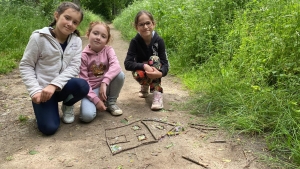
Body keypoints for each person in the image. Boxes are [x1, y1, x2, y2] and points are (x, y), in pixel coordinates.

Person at [19, 2, 89, 135]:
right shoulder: (39, 38)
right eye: (67, 18)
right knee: (49, 128)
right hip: (43, 92)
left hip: (61, 87)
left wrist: (54, 85)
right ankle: (48, 109)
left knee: (83, 86)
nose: (70, 24)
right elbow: (26, 65)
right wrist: (34, 91)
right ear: (57, 16)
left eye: (75, 22)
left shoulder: (76, 41)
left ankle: (67, 104)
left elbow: (74, 67)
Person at [79, 21, 125, 123]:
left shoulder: (108, 50)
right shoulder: (83, 56)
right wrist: (96, 100)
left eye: (103, 36)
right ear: (88, 34)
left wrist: (105, 81)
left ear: (107, 40)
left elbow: (116, 66)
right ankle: (95, 103)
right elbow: (84, 82)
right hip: (91, 90)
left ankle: (111, 102)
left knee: (120, 75)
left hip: (106, 87)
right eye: (95, 33)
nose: (98, 37)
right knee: (86, 117)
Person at [124, 10, 169, 111]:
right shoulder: (134, 42)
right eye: (141, 24)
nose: (145, 27)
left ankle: (157, 94)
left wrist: (161, 73)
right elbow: (127, 63)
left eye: (148, 23)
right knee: (138, 73)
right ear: (137, 27)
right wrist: (144, 66)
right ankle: (144, 85)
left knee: (155, 59)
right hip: (142, 72)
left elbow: (165, 63)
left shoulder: (159, 41)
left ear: (153, 24)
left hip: (156, 70)